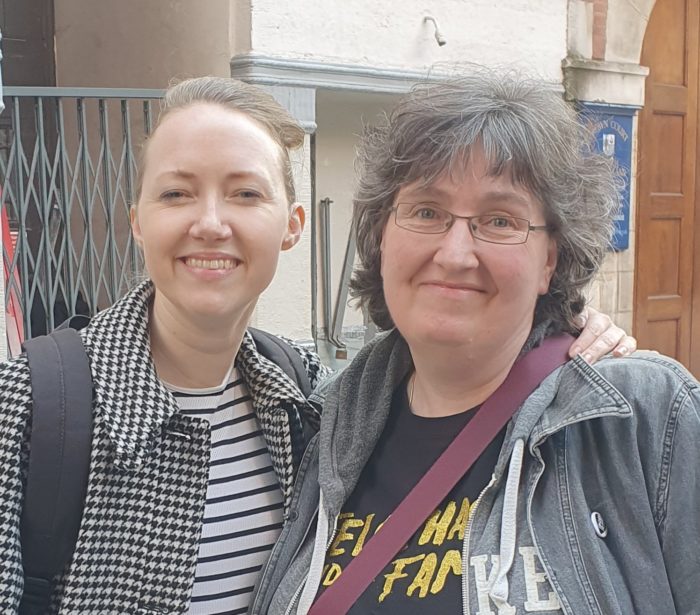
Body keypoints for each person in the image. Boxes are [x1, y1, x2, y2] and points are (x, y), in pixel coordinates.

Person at [0, 76, 633, 615]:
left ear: (291, 227)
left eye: (246, 193)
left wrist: (567, 327)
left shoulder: (305, 397)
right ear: (138, 220)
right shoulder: (33, 407)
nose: (211, 223)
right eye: (176, 193)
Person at [250, 70, 700, 615]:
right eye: (426, 211)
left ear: (550, 260)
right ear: (382, 234)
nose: (456, 253)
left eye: (499, 220)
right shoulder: (324, 426)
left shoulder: (642, 416)